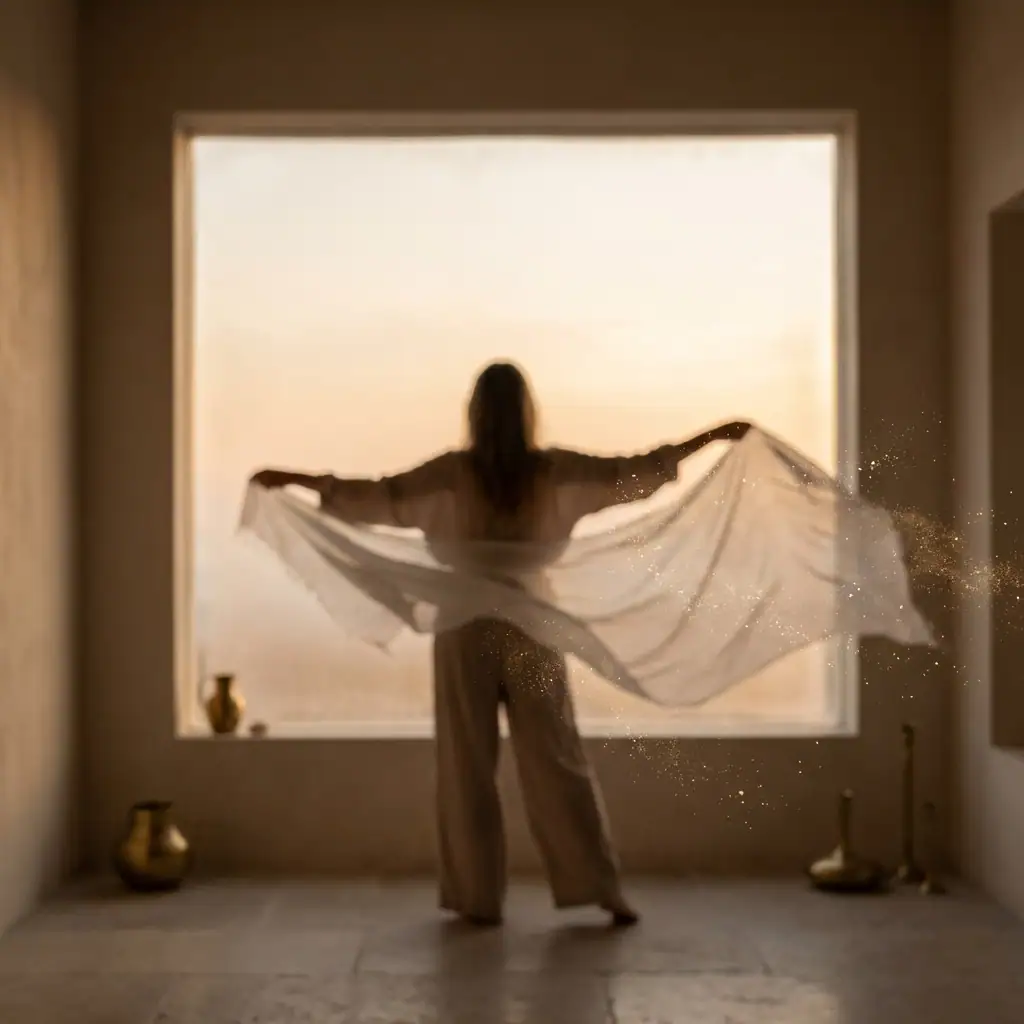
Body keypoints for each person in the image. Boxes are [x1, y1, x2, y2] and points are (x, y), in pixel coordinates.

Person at [250, 361, 750, 927]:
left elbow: (378, 496)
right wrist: (711, 436)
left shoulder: (453, 474)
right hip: (533, 625)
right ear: (527, 412)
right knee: (557, 759)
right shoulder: (553, 472)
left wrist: (294, 478)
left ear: (475, 413)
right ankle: (601, 888)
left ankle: (476, 898)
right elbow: (633, 472)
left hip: (465, 629)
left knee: (467, 766)